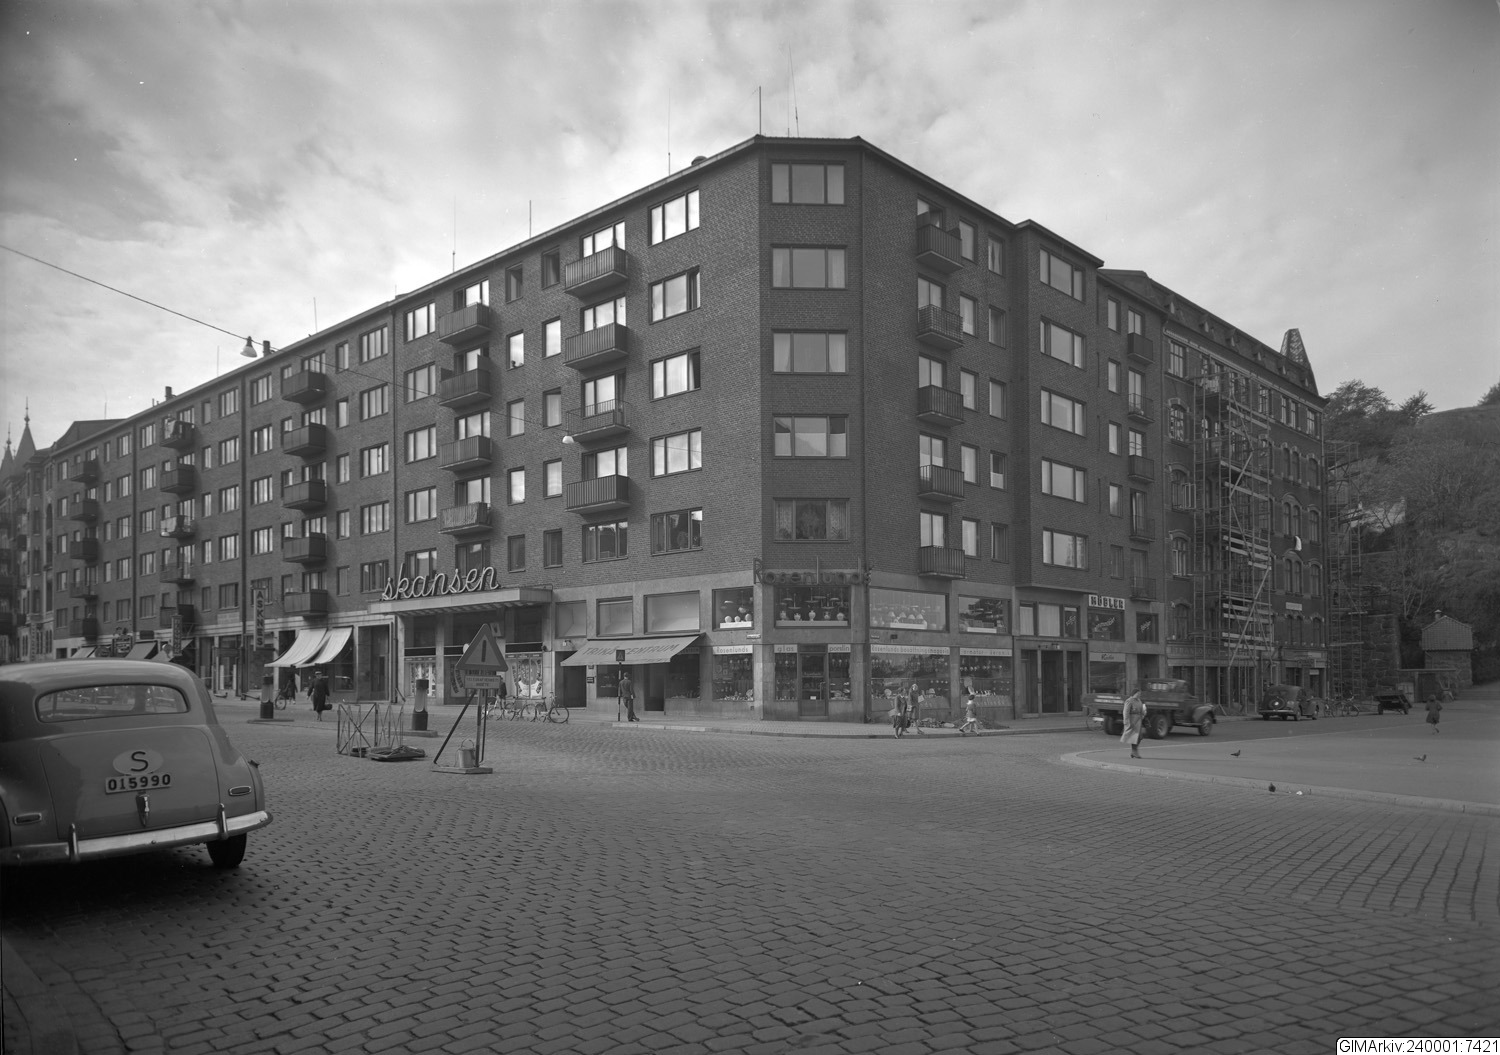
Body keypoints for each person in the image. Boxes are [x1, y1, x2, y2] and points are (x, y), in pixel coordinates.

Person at [1121, 689, 1146, 758]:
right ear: (1134, 693)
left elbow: (1141, 710)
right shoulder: (1129, 701)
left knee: (1140, 736)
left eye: (1140, 693)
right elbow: (1126, 712)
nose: (1139, 694)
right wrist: (1126, 722)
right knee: (1135, 737)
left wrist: (1143, 713)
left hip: (1139, 720)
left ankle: (1134, 752)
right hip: (1132, 721)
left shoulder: (1139, 701)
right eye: (1138, 693)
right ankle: (1134, 752)